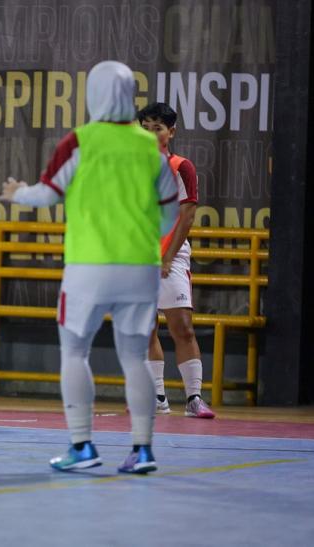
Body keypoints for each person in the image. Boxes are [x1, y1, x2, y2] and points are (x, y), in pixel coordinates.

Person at [0, 61, 178, 474]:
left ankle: (82, 446)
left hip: (88, 269)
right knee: (135, 358)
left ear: (93, 94)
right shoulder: (151, 148)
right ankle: (143, 450)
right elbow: (169, 216)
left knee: (75, 351)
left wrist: (18, 192)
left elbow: (48, 195)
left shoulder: (79, 141)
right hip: (142, 268)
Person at [138, 102, 215, 419]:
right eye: (145, 127)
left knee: (182, 328)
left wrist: (168, 256)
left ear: (171, 131)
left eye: (157, 128)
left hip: (171, 256)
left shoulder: (181, 166)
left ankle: (194, 398)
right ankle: (157, 398)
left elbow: (187, 215)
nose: (151, 134)